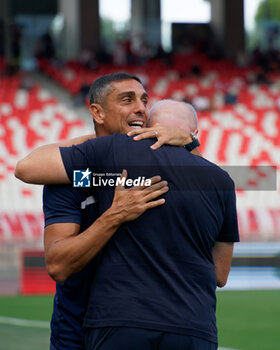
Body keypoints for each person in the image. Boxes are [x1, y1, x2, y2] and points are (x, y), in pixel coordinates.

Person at [16, 97, 239, 349]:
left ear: (148, 125)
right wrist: (191, 145)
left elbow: (28, 168)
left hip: (120, 320)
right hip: (193, 326)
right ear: (193, 133)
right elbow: (220, 274)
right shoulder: (222, 181)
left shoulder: (110, 158)